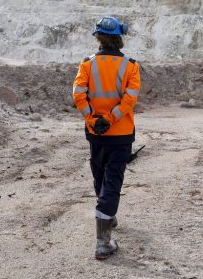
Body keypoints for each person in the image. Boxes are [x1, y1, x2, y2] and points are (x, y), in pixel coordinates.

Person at [72, 16, 141, 260]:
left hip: (96, 134)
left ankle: (107, 216)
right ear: (119, 38)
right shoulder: (131, 66)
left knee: (100, 177)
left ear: (98, 37)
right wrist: (111, 119)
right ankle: (103, 243)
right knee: (111, 182)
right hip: (120, 134)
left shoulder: (87, 65)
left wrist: (93, 120)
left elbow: (79, 95)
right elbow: (130, 99)